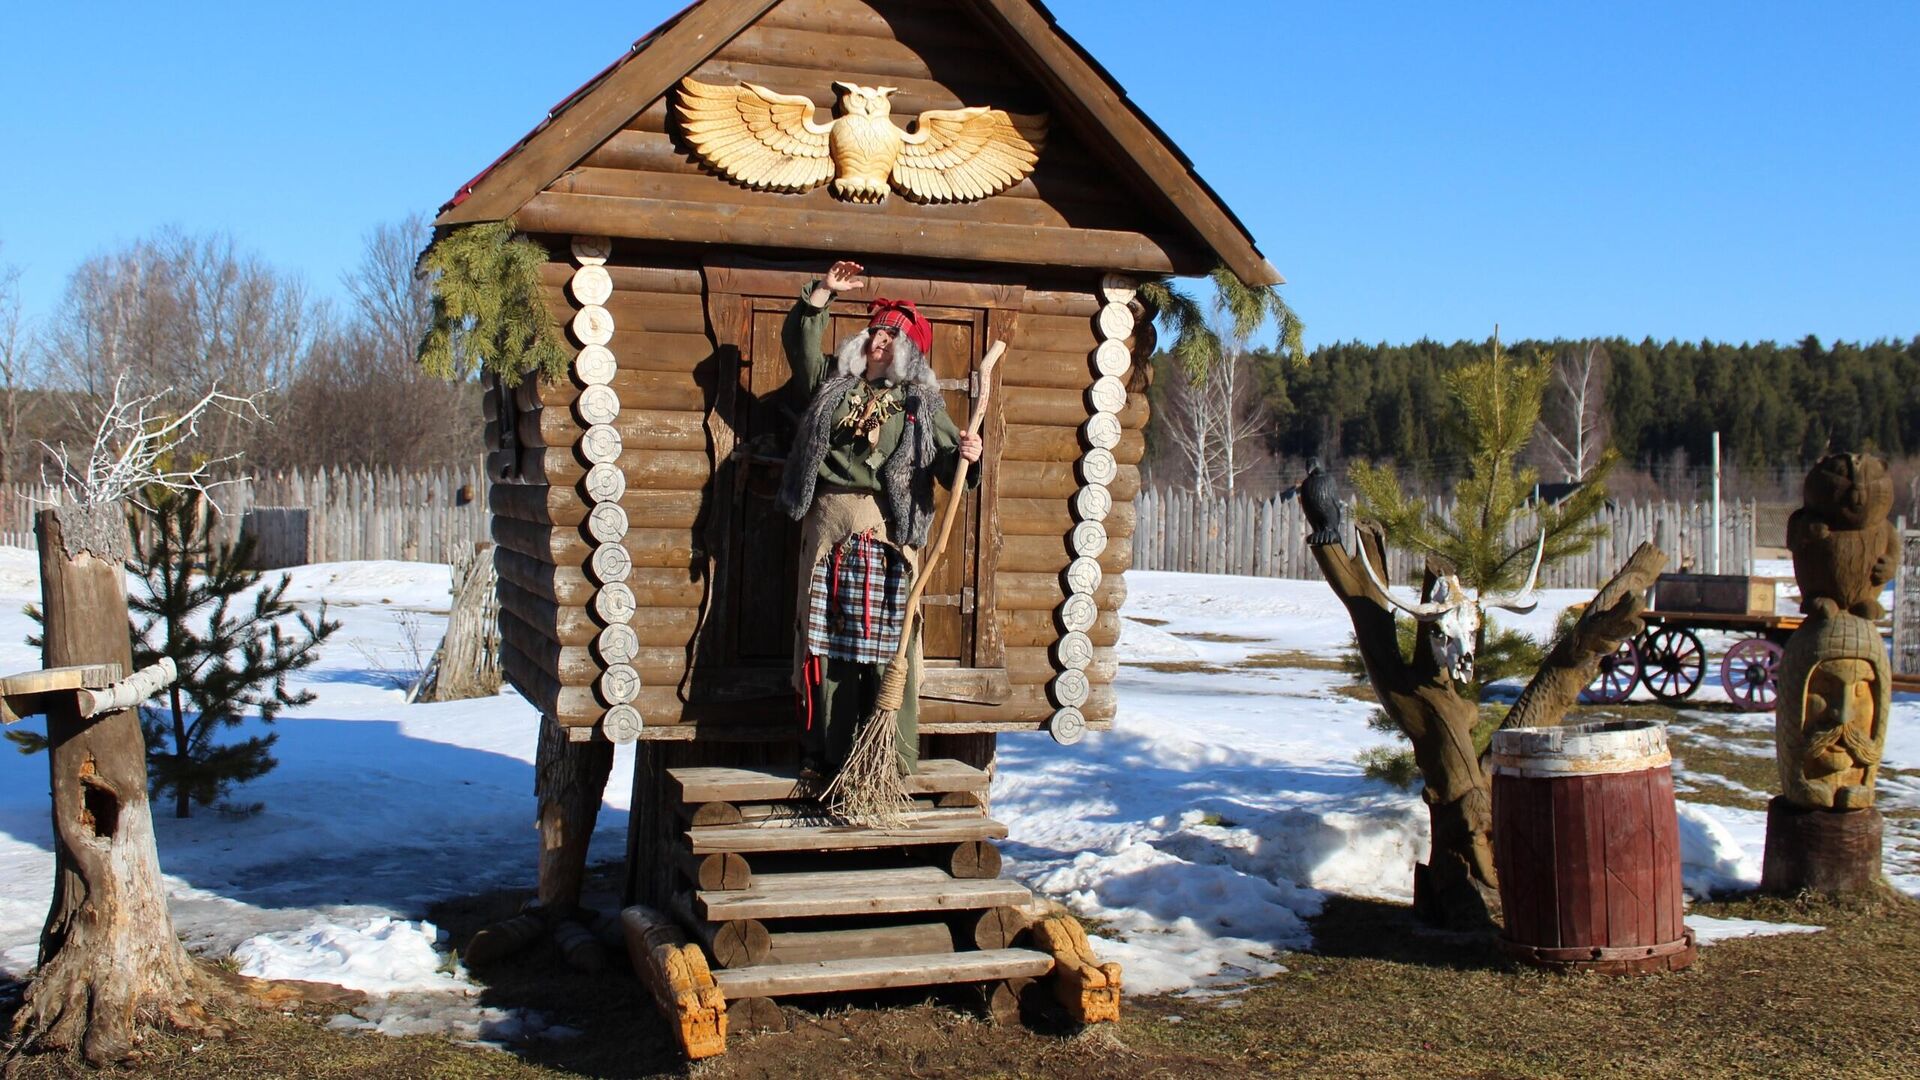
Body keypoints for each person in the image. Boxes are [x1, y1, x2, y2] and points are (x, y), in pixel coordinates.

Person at [778, 260, 982, 783]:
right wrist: (823, 291)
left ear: (908, 352)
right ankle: (827, 754)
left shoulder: (920, 403)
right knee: (828, 643)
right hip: (829, 533)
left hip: (891, 536)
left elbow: (946, 463)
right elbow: (799, 342)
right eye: (875, 333)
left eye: (891, 339)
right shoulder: (831, 384)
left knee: (888, 647)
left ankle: (887, 762)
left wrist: (967, 454)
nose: (878, 343)